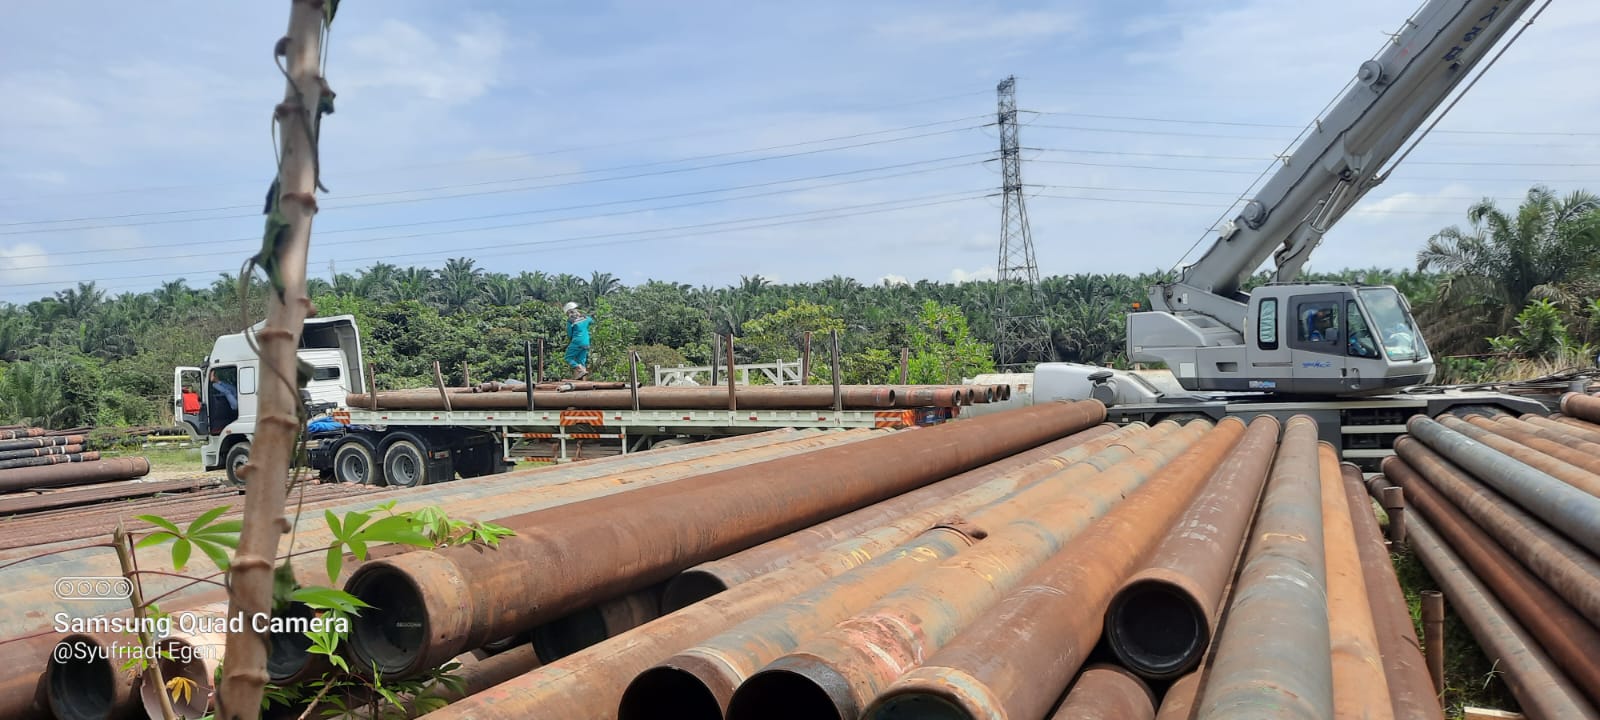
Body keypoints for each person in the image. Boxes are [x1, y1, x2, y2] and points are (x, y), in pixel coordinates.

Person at [563, 302, 594, 380]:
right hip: (586, 342)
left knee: (568, 358)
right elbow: (592, 321)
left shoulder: (570, 321)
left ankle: (580, 369)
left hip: (577, 341)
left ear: (569, 312)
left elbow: (570, 334)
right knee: (581, 360)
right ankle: (582, 378)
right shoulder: (585, 318)